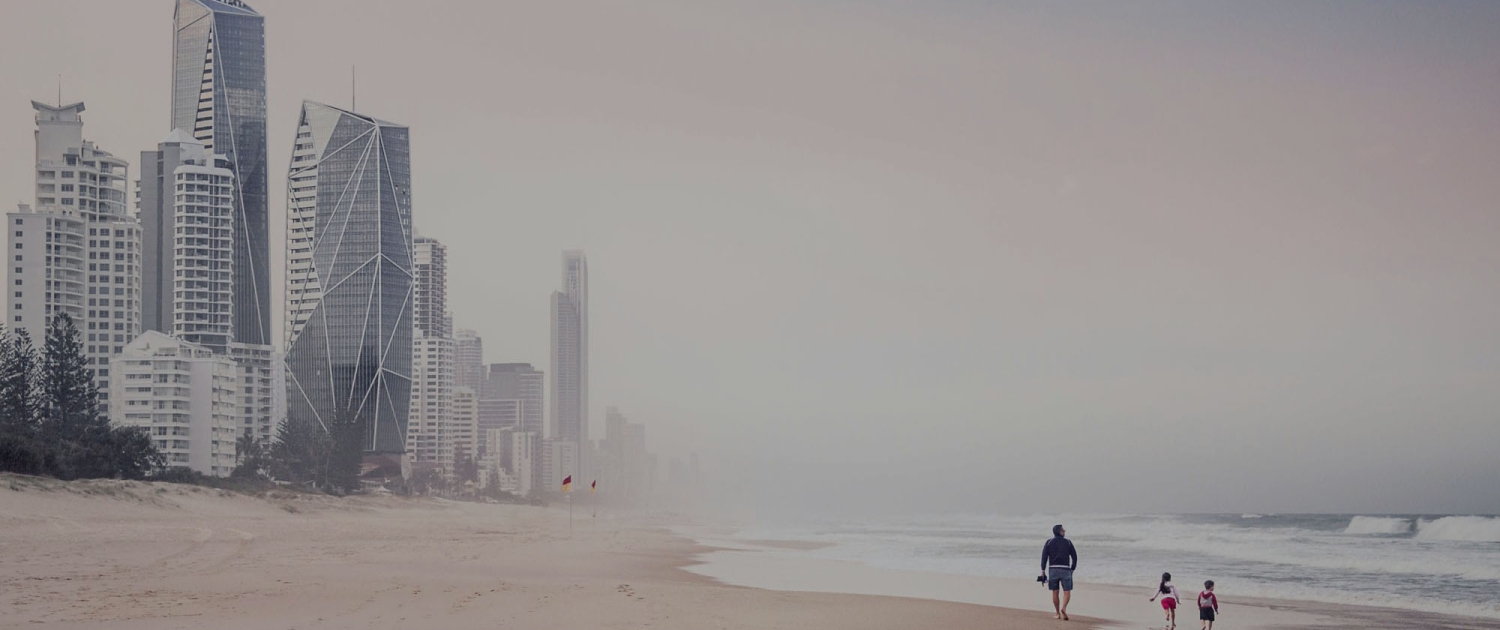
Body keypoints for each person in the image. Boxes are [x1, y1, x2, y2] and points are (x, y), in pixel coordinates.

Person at [1040, 524, 1077, 620]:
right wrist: (1072, 568)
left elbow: (1044, 557)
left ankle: (1057, 613)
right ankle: (1064, 608)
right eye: (1063, 530)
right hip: (1065, 569)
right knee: (1067, 591)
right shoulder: (1068, 542)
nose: (1064, 531)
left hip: (1053, 569)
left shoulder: (1049, 542)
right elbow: (1074, 556)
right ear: (1060, 532)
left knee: (1055, 592)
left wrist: (1043, 570)